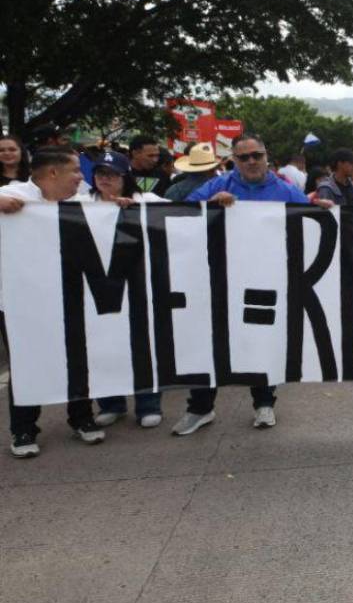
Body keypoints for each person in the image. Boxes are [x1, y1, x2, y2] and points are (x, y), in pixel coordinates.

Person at [179, 134, 329, 436]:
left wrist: (323, 211)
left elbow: (310, 224)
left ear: (266, 156)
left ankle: (264, 403)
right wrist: (210, 206)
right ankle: (200, 407)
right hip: (217, 279)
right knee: (210, 342)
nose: (250, 161)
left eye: (256, 156)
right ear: (233, 160)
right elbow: (181, 214)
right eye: (243, 157)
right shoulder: (217, 186)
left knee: (260, 341)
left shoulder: (285, 190)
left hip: (264, 280)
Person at [0, 148, 105, 457]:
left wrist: (119, 209)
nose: (80, 177)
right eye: (75, 170)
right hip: (22, 300)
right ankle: (23, 430)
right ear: (53, 173)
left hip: (72, 295)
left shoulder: (82, 200)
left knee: (79, 357)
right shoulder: (12, 193)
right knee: (26, 363)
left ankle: (82, 418)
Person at [87, 151, 167, 428]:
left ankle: (148, 404)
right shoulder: (81, 202)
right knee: (103, 344)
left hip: (140, 285)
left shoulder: (148, 201)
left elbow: (182, 215)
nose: (104, 180)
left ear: (125, 177)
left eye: (111, 175)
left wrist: (133, 210)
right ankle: (111, 403)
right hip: (99, 287)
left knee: (142, 343)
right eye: (100, 174)